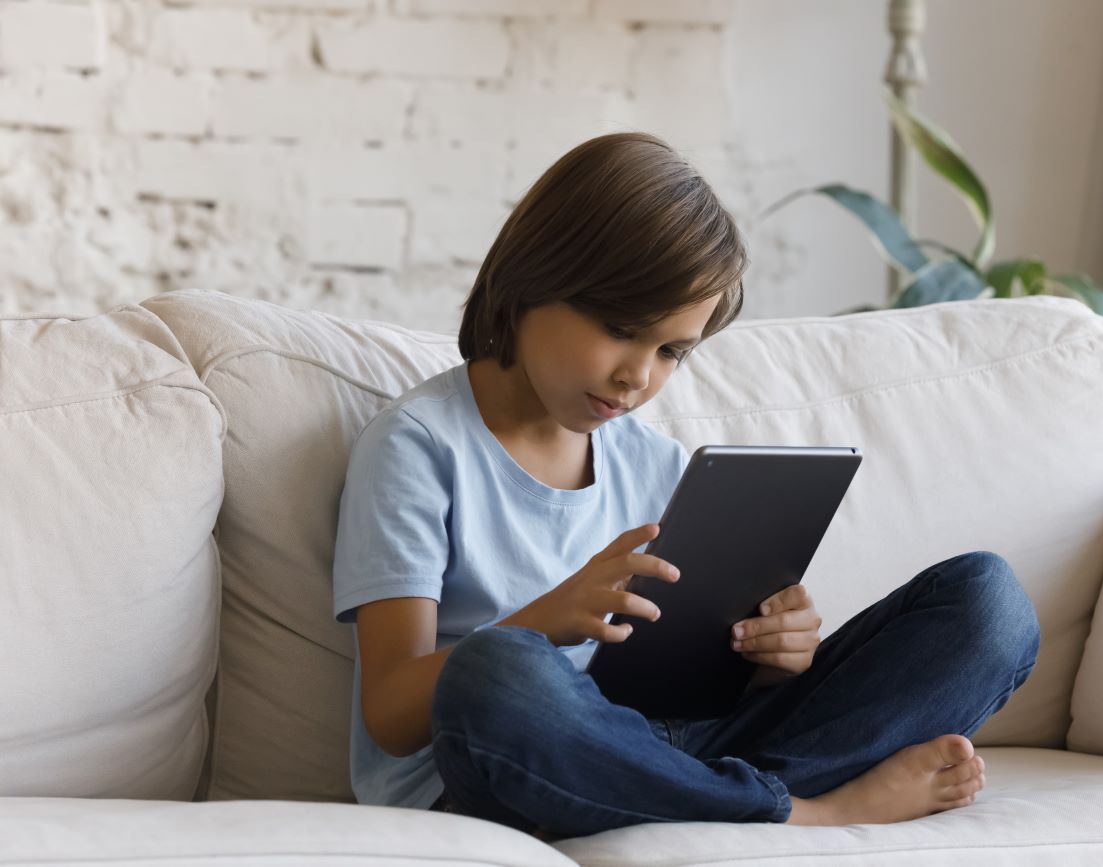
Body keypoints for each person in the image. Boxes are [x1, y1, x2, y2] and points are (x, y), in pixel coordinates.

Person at [331, 131, 1041, 841]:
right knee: (498, 669)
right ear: (532, 280)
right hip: (502, 768)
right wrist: (548, 615)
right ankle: (808, 810)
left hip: (674, 748)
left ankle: (717, 799)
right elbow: (392, 715)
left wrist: (773, 657)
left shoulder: (659, 463)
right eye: (621, 329)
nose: (638, 375)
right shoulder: (418, 445)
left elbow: (694, 685)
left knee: (989, 602)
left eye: (671, 350)